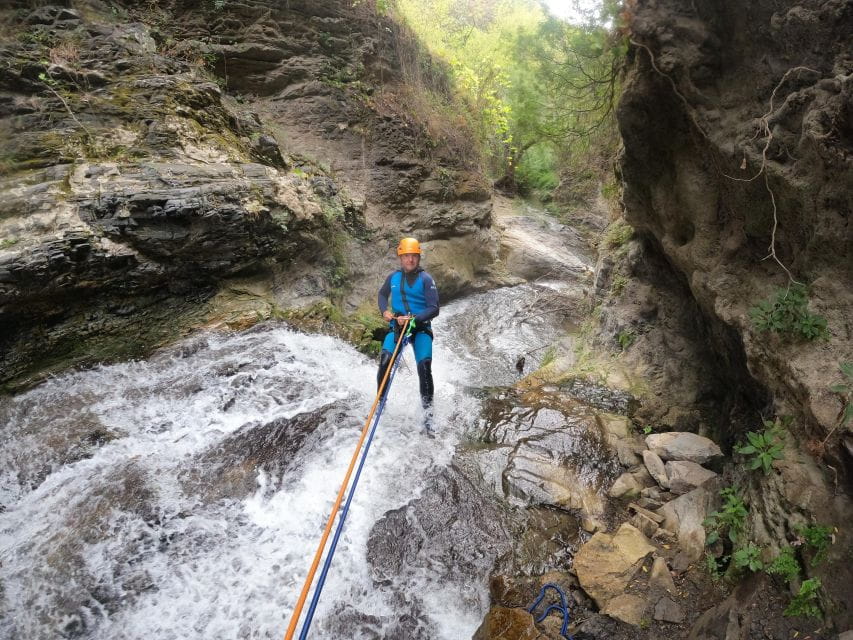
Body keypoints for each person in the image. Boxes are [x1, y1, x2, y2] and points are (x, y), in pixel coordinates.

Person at [377, 237, 439, 431]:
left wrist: (413, 319)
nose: (410, 260)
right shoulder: (393, 278)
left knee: (424, 366)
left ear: (418, 258)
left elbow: (434, 308)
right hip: (397, 326)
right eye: (406, 256)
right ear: (400, 258)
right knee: (386, 359)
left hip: (420, 327)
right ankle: (380, 404)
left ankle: (428, 416)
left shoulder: (426, 280)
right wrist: (384, 311)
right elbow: (381, 295)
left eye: (413, 256)